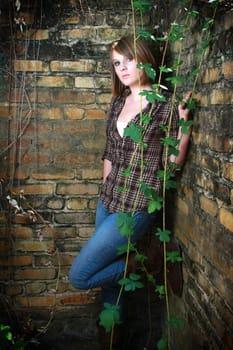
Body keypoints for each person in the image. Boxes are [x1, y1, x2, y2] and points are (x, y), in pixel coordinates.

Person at [69, 35, 192, 349]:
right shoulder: (118, 102)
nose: (122, 68)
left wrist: (185, 126)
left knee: (80, 276)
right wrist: (103, 194)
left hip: (135, 208)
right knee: (112, 289)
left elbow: (173, 162)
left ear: (144, 58)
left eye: (128, 59)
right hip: (108, 203)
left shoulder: (164, 105)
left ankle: (150, 260)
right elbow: (110, 153)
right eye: (116, 63)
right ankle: (110, 343)